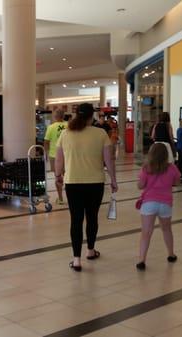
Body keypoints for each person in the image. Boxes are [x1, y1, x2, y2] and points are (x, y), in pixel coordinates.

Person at [55, 103, 118, 272]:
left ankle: (76, 260)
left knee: (76, 220)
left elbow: (59, 160)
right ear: (92, 116)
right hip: (95, 183)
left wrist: (58, 175)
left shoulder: (65, 134)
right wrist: (113, 179)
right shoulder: (100, 133)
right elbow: (109, 160)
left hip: (73, 183)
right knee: (92, 217)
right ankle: (90, 250)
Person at [136, 143, 181, 270]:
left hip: (149, 203)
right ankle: (171, 254)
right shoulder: (172, 168)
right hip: (165, 203)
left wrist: (142, 182)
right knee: (167, 230)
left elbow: (140, 185)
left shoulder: (147, 168)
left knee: (146, 233)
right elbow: (177, 183)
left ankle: (142, 260)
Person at [44, 110, 67, 205]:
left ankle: (61, 198)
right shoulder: (68, 125)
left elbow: (46, 141)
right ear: (63, 116)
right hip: (68, 154)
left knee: (58, 177)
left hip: (54, 155)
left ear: (54, 117)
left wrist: (45, 153)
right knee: (68, 176)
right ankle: (71, 197)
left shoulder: (51, 127)